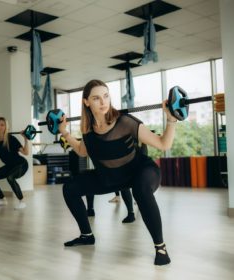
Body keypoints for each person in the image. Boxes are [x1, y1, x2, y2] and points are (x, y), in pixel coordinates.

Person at [59, 79, 177, 266]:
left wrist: (171, 119)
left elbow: (164, 144)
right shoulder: (88, 130)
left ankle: (160, 247)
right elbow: (82, 150)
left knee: (140, 190)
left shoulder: (125, 122)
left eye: (106, 96)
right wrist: (64, 132)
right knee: (70, 188)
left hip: (140, 171)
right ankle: (86, 235)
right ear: (86, 102)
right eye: (96, 98)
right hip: (110, 177)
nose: (103, 102)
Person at [0, 117, 29, 210]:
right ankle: (2, 199)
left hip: (21, 164)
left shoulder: (11, 139)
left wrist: (25, 139)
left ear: (6, 127)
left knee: (10, 177)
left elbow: (26, 152)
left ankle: (22, 201)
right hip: (10, 166)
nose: (0, 127)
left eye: (2, 125)